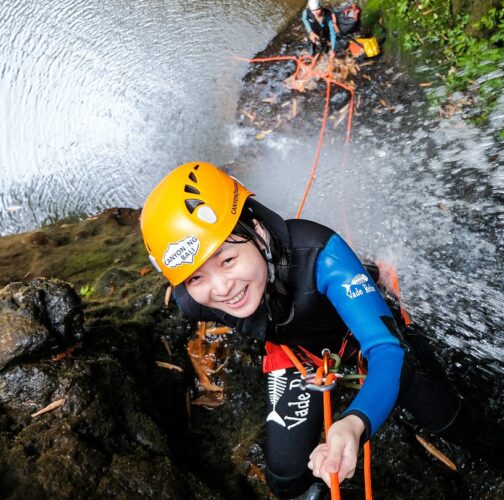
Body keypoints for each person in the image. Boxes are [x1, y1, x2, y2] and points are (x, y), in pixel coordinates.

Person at [140, 162, 470, 499]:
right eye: (196, 276)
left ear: (259, 229)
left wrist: (354, 422)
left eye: (227, 260)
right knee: (285, 478)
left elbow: (386, 350)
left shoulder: (320, 256)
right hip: (300, 354)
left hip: (363, 334)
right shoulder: (193, 300)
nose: (222, 288)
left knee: (451, 422)